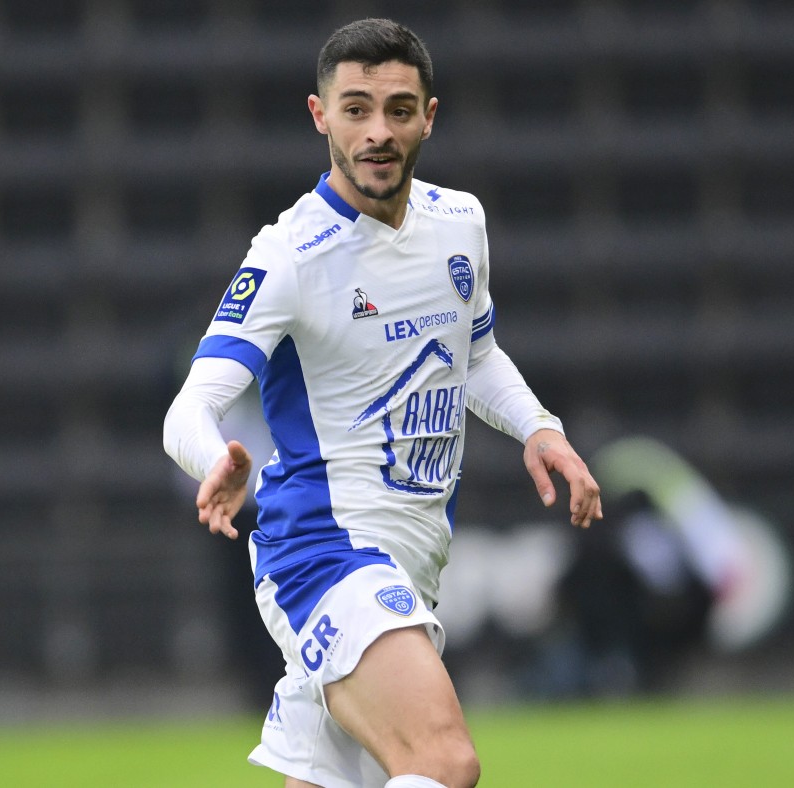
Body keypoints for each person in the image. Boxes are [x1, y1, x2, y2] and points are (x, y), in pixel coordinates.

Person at [163, 19, 601, 788]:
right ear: (320, 115)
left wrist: (539, 428)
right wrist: (216, 461)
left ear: (428, 117)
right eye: (356, 108)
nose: (377, 132)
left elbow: (475, 355)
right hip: (325, 554)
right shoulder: (289, 255)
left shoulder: (460, 224)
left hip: (413, 559)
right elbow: (189, 410)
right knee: (443, 760)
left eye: (399, 110)